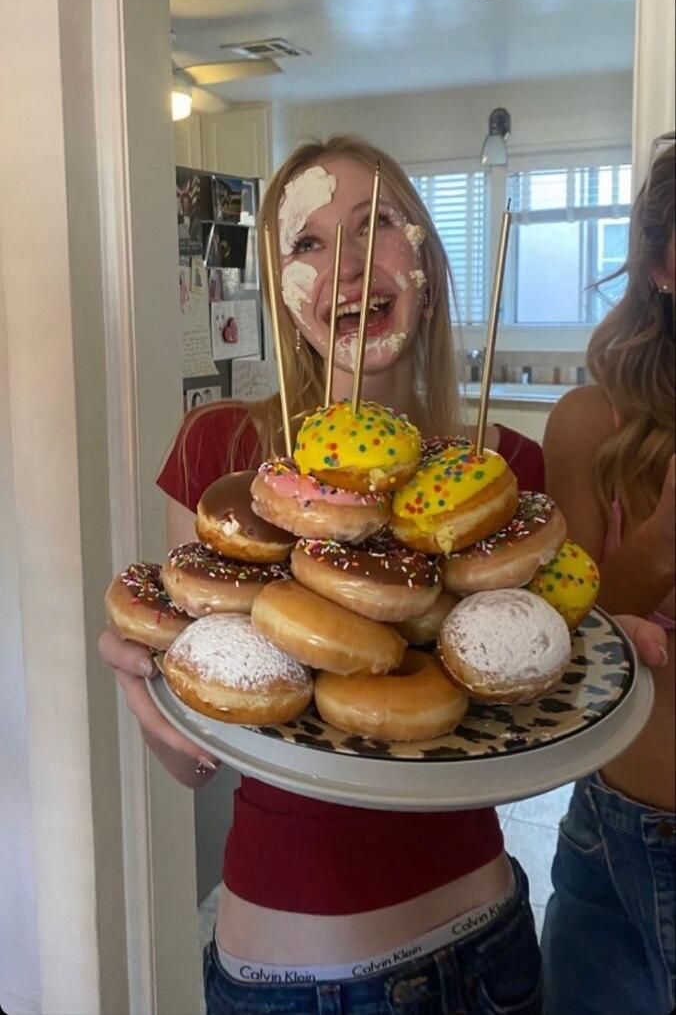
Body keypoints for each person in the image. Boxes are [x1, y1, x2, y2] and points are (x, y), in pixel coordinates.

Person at [102, 136, 549, 1014]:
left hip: (487, 942)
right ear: (279, 290)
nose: (343, 261)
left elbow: (524, 716)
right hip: (291, 974)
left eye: (374, 223)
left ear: (424, 253)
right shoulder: (223, 458)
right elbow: (199, 762)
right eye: (306, 243)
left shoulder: (505, 482)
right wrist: (147, 702)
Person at [540, 136, 676, 1015]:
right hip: (613, 823)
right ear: (661, 265)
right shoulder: (592, 422)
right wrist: (659, 543)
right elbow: (568, 647)